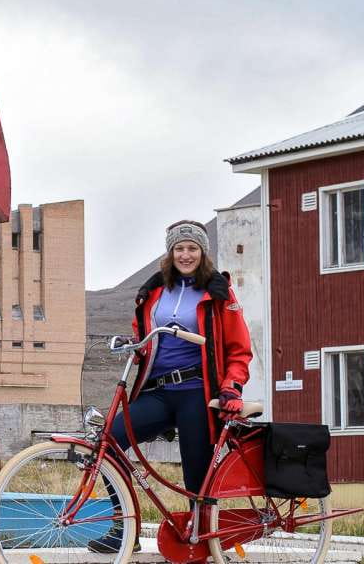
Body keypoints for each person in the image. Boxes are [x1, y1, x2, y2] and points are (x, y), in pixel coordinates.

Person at [89, 220, 253, 555]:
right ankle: (123, 529)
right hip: (158, 391)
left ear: (202, 252)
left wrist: (232, 387)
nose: (186, 254)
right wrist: (134, 345)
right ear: (170, 253)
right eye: (179, 248)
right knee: (110, 441)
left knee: (197, 472)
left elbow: (239, 349)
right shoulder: (154, 293)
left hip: (197, 390)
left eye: (192, 248)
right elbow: (145, 334)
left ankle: (201, 540)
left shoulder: (218, 292)